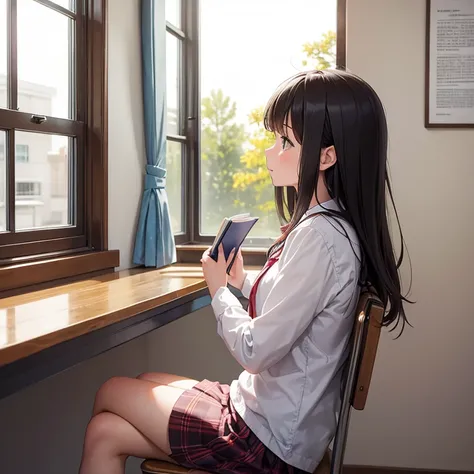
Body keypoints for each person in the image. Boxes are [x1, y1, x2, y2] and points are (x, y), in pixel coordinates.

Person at [79, 69, 410, 474]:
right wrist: (241, 282)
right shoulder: (330, 227)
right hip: (271, 420)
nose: (271, 152)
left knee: (112, 392)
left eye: (285, 141)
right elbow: (295, 310)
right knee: (108, 429)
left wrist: (218, 291)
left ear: (327, 156)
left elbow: (255, 351)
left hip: (267, 444)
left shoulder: (321, 239)